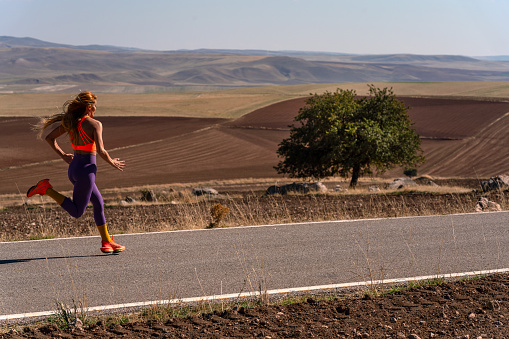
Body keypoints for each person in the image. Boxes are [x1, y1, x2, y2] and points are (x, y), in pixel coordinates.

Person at [27, 91, 126, 253]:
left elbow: (49, 138)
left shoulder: (71, 123)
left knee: (98, 203)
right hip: (86, 171)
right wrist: (112, 162)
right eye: (94, 106)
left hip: (74, 169)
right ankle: (46, 189)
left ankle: (107, 241)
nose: (95, 109)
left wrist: (63, 155)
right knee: (77, 211)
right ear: (88, 107)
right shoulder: (95, 124)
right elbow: (101, 151)